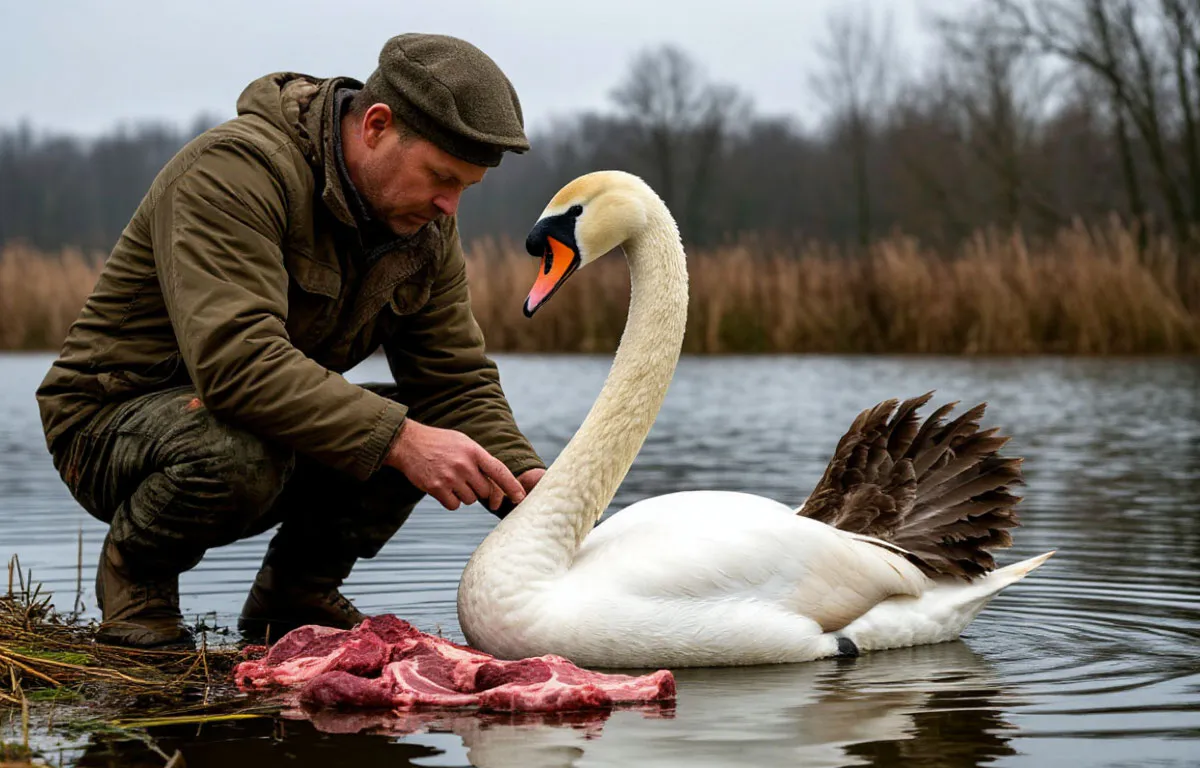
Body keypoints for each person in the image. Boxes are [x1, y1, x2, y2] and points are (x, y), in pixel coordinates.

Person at [35, 33, 546, 649]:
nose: (449, 206)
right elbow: (237, 364)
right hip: (108, 422)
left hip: (245, 423)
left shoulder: (422, 227)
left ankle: (295, 595)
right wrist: (402, 439)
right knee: (326, 443)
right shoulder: (233, 172)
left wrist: (527, 483)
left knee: (427, 430)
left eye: (466, 187)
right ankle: (137, 583)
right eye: (441, 177)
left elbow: (454, 381)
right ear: (377, 126)